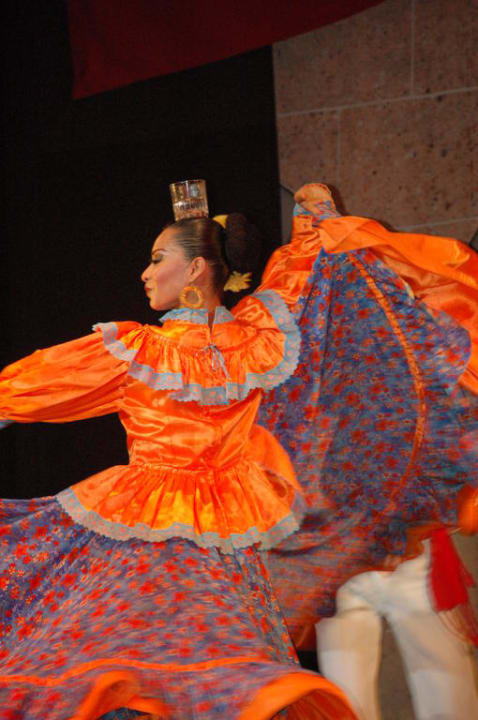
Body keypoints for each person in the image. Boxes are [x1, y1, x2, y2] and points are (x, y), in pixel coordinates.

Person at [0, 205, 357, 720]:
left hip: (151, 536)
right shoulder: (259, 342)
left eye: (157, 258)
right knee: (204, 679)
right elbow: (304, 277)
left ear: (194, 269)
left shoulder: (140, 350)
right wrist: (313, 211)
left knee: (140, 677)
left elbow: (29, 387)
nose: (145, 273)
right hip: (225, 545)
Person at [258, 184, 478, 720]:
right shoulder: (383, 340)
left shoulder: (296, 339)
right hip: (354, 538)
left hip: (349, 537)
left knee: (393, 671)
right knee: (421, 669)